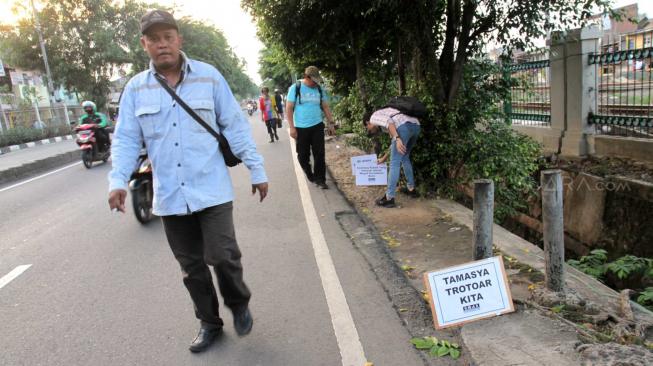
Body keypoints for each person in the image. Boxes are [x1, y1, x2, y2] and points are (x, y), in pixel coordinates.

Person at [107, 9, 268, 353]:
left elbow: (235, 127)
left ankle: (238, 302)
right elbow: (124, 140)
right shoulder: (136, 89)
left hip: (212, 189)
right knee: (191, 268)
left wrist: (257, 169)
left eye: (168, 37)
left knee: (222, 256)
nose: (162, 45)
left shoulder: (209, 78)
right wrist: (118, 181)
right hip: (169, 197)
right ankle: (209, 322)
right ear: (144, 44)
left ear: (179, 40)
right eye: (154, 39)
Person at [286, 66, 336, 189]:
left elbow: (325, 106)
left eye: (317, 81)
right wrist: (292, 127)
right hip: (301, 128)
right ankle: (310, 174)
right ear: (306, 77)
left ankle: (320, 179)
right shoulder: (295, 88)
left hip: (317, 126)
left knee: (319, 154)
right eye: (313, 81)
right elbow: (289, 108)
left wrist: (331, 123)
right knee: (302, 155)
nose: (315, 83)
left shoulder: (319, 89)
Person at [364, 107, 421, 207]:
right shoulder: (386, 126)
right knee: (405, 156)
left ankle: (389, 198)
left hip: (403, 127)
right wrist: (384, 158)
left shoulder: (374, 117)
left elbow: (389, 122)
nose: (369, 130)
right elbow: (393, 144)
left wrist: (398, 139)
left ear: (368, 122)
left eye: (366, 128)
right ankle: (411, 189)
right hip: (416, 126)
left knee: (394, 163)